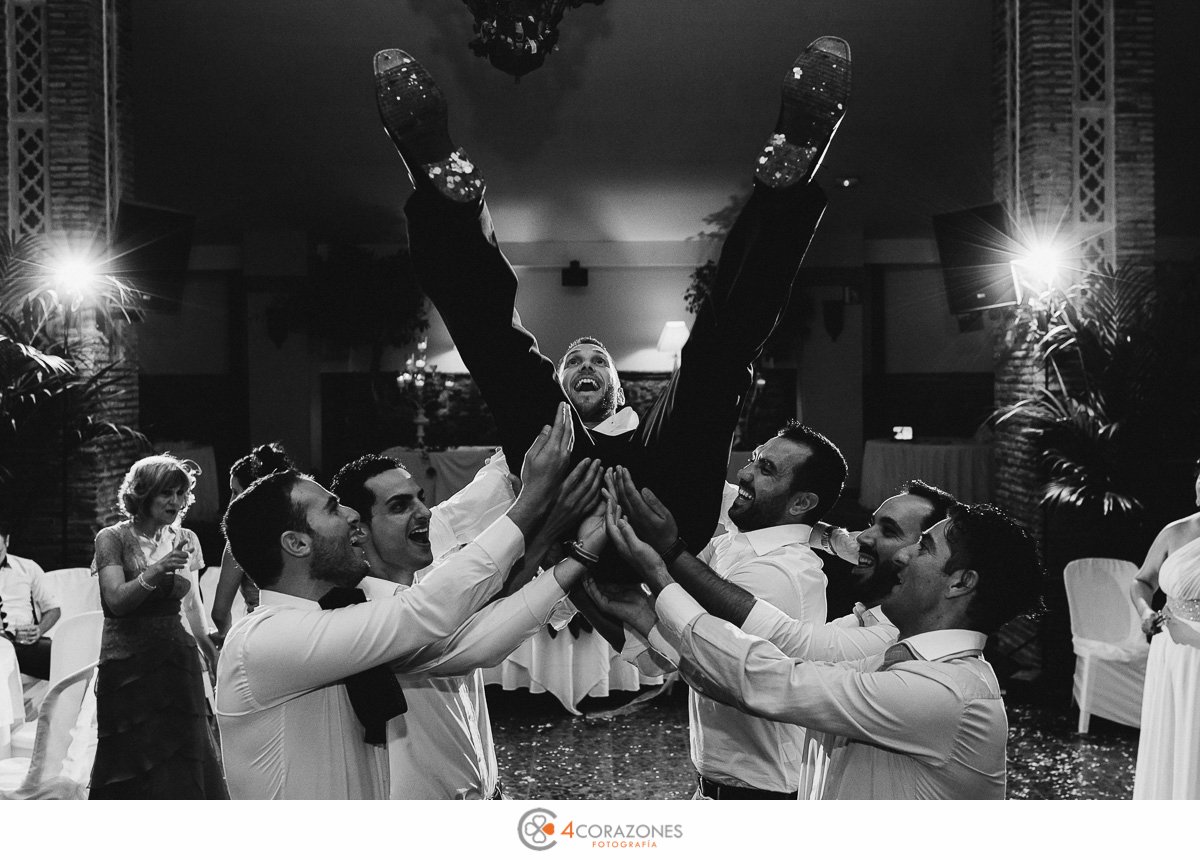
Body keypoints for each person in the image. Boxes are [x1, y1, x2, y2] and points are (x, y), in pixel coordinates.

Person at [373, 37, 850, 640]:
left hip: (581, 505)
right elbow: (460, 519)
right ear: (566, 380)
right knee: (711, 362)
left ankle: (791, 169)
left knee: (510, 365)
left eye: (597, 357)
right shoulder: (548, 434)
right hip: (658, 514)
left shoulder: (642, 428)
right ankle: (443, 185)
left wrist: (828, 532)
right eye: (573, 359)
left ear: (619, 383)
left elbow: (736, 493)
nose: (584, 363)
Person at [216, 404, 585, 799]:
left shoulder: (344, 613)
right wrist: (532, 505)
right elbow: (423, 613)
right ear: (297, 543)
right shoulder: (264, 640)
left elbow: (458, 623)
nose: (351, 516)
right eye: (332, 509)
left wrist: (578, 555)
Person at [598, 496, 1042, 799]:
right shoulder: (895, 656)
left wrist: (661, 573)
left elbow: (767, 680)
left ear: (961, 583)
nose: (903, 556)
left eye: (924, 548)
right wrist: (642, 614)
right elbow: (743, 677)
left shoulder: (947, 693)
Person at [331, 451, 603, 799]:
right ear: (358, 531)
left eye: (420, 498)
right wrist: (557, 533)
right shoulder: (367, 618)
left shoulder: (429, 579)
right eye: (400, 506)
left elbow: (493, 589)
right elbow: (480, 635)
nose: (424, 512)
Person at [605, 421, 849, 799]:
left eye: (766, 469)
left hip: (762, 797)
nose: (745, 472)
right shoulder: (743, 533)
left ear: (801, 503)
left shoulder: (778, 573)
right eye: (754, 458)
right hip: (720, 787)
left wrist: (639, 588)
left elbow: (700, 660)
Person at [88, 454, 226, 799]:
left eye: (182, 494)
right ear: (143, 493)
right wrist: (156, 569)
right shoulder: (112, 538)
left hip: (177, 660)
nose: (177, 503)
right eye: (168, 493)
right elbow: (116, 601)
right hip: (127, 663)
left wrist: (210, 653)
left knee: (185, 750)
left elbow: (193, 605)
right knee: (131, 752)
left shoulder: (186, 538)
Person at [1130, 457, 1200, 799]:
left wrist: (1194, 637)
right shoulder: (1176, 531)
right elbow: (1143, 580)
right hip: (1170, 654)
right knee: (1171, 739)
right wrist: (1145, 611)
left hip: (1196, 650)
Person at [211, 442, 295, 639]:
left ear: (252, 494)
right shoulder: (301, 531)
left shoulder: (242, 538)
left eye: (235, 492)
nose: (231, 500)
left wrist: (225, 635)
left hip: (262, 632)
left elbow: (219, 612)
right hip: (304, 628)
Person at [0, 520, 59, 680]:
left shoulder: (28, 568)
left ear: (7, 541)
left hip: (23, 642)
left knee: (63, 657)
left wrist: (39, 630)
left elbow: (53, 609)